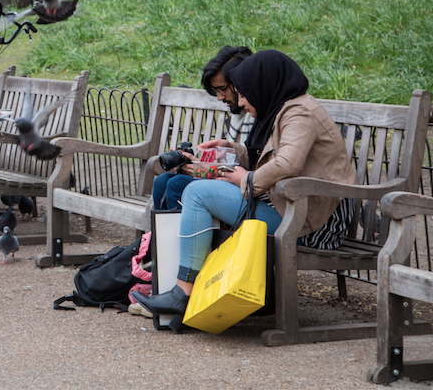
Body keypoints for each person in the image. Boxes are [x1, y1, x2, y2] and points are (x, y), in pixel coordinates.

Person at [131, 50, 357, 317]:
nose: (240, 102)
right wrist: (232, 149)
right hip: (290, 205)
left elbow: (288, 163)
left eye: (243, 93)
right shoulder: (285, 107)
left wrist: (246, 179)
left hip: (313, 221)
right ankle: (184, 290)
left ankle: (182, 294)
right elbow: (268, 155)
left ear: (263, 86)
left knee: (196, 193)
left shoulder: (299, 113)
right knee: (187, 187)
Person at [151, 45, 254, 210]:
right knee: (162, 181)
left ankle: (178, 235)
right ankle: (158, 234)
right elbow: (230, 163)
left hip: (245, 191)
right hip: (227, 181)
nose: (219, 97)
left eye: (222, 89)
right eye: (216, 91)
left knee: (177, 184)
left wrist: (202, 170)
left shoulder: (258, 116)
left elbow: (250, 169)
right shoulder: (238, 116)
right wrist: (197, 165)